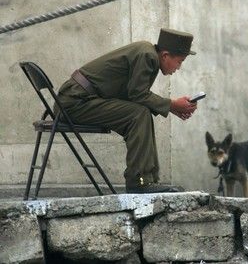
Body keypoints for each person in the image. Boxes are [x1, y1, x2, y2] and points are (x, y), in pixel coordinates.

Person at [56, 28, 198, 193]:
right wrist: (173, 105)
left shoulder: (147, 52)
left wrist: (173, 108)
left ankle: (147, 180)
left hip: (77, 100)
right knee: (138, 114)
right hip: (74, 103)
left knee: (140, 112)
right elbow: (138, 94)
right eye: (180, 61)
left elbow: (135, 96)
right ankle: (139, 182)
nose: (179, 67)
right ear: (165, 55)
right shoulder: (148, 56)